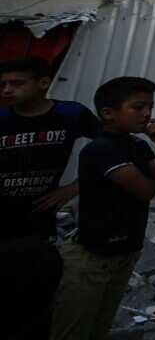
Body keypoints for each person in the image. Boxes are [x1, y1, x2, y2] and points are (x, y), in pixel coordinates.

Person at [51, 76, 155, 340]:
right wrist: (152, 172)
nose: (146, 114)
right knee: (73, 330)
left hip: (124, 252)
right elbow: (145, 191)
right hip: (92, 259)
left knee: (99, 327)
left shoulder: (137, 144)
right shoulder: (102, 150)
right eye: (138, 107)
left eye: (149, 107)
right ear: (108, 113)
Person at [0, 57, 101, 340]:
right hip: (3, 220)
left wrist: (74, 187)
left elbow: (112, 148)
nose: (7, 90)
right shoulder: (2, 119)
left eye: (16, 83)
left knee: (35, 297)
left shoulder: (71, 115)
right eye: (4, 84)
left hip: (37, 225)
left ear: (43, 83)